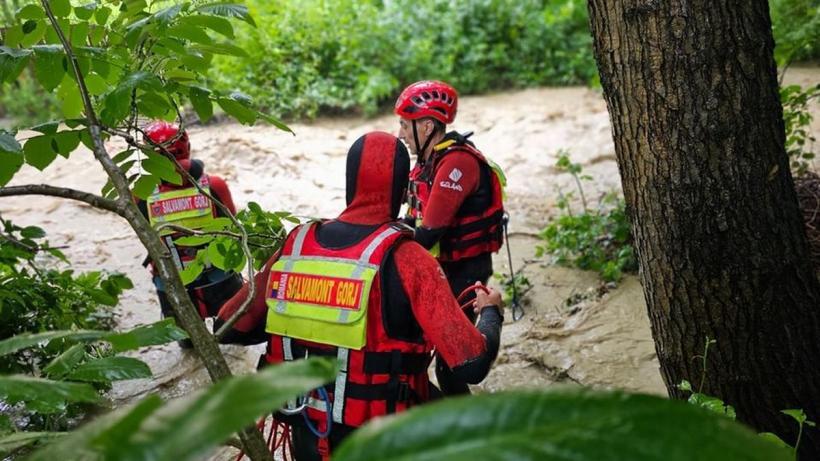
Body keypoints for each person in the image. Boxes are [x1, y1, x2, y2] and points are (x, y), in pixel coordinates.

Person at [216, 131, 504, 461]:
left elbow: (227, 326)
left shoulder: (295, 244)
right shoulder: (411, 259)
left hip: (306, 432)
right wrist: (492, 313)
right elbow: (472, 364)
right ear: (400, 189)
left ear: (350, 182)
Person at [394, 80, 506, 395]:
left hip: (464, 274)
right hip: (438, 271)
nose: (401, 133)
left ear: (427, 125)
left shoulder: (457, 162)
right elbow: (410, 220)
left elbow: (428, 234)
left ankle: (492, 312)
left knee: (452, 366)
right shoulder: (426, 163)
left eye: (405, 124)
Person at [138, 121, 243, 348]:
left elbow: (146, 235)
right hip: (219, 274)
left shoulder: (141, 194)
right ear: (188, 146)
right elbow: (234, 229)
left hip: (172, 280)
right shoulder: (214, 185)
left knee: (188, 345)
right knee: (234, 337)